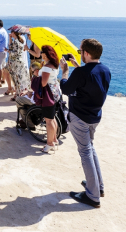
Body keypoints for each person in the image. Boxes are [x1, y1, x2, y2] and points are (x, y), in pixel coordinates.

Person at [59, 39, 111, 208]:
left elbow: (66, 89)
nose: (79, 53)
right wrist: (78, 68)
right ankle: (98, 186)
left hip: (80, 117)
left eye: (81, 51)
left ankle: (93, 195)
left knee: (85, 152)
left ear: (86, 54)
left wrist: (65, 72)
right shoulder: (105, 70)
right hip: (94, 116)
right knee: (90, 148)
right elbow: (90, 82)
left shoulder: (81, 73)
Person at [32, 45, 61, 153]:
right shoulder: (54, 65)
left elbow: (43, 83)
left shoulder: (46, 67)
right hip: (55, 93)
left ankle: (49, 144)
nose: (41, 54)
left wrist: (37, 75)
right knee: (52, 118)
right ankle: (54, 139)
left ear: (46, 54)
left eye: (42, 53)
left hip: (48, 95)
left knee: (48, 121)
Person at [7, 31, 30, 99]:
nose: (11, 34)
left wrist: (8, 51)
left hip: (16, 63)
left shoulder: (17, 42)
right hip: (17, 63)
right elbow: (11, 46)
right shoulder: (18, 41)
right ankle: (18, 94)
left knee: (17, 80)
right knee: (18, 80)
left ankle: (18, 95)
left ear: (14, 33)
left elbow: (15, 53)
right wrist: (10, 38)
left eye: (12, 33)